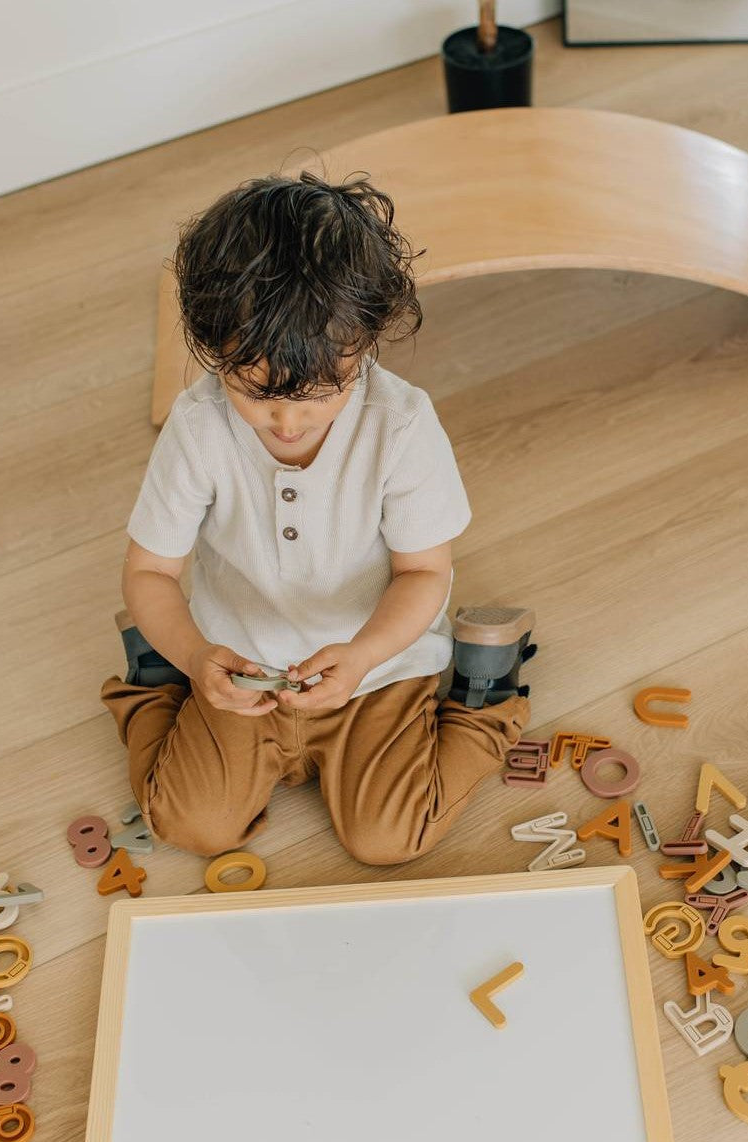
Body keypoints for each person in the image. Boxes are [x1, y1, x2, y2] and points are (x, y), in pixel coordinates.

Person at [101, 169, 536, 866]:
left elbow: (424, 573)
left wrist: (362, 655)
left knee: (388, 839)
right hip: (241, 667)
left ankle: (483, 698)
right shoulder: (199, 424)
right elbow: (149, 571)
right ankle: (158, 672)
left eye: (319, 395)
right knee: (190, 827)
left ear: (365, 345)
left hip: (377, 668)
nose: (287, 422)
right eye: (257, 393)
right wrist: (193, 654)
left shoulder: (400, 424)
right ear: (212, 351)